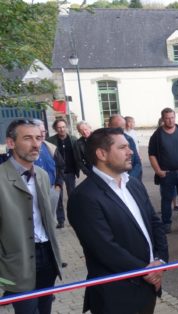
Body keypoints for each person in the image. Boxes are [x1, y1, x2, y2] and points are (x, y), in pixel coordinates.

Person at [67, 127, 168, 313]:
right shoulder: (84, 197)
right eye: (122, 147)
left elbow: (155, 223)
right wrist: (147, 271)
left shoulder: (133, 184)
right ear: (102, 154)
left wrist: (160, 261)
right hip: (116, 295)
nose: (130, 152)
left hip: (147, 287)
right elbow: (105, 248)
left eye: (129, 147)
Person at [1, 119, 64, 314]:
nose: (36, 144)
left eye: (38, 138)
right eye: (27, 138)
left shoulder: (43, 175)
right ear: (11, 143)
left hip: (47, 255)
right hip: (16, 261)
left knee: (45, 309)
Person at [48, 119, 79, 229]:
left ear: (67, 127)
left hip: (70, 172)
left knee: (72, 197)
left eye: (63, 127)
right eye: (59, 127)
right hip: (58, 173)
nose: (62, 129)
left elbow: (78, 155)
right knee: (58, 197)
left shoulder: (73, 139)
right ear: (55, 129)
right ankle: (61, 220)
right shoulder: (50, 141)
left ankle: (74, 219)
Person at [109, 115, 143, 180]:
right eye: (117, 128)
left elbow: (137, 162)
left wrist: (129, 178)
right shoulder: (102, 142)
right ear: (109, 126)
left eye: (122, 128)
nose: (119, 131)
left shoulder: (129, 139)